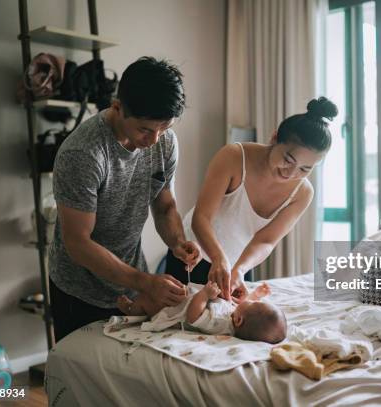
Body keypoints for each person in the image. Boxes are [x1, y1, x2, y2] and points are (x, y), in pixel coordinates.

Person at [49, 57, 200, 341]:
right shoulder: (83, 153)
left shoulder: (165, 142)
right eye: (145, 129)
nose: (155, 139)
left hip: (132, 282)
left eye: (164, 127)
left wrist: (178, 242)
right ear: (118, 107)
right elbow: (78, 243)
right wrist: (145, 282)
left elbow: (164, 205)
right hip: (79, 290)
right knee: (79, 379)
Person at [166, 97, 338, 301]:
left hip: (238, 263)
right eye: (288, 160)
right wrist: (218, 258)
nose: (291, 173)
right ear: (274, 138)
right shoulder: (233, 157)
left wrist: (240, 269)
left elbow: (266, 240)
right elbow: (201, 218)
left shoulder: (302, 193)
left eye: (305, 169)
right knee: (176, 319)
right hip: (192, 254)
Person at [117, 281, 286, 344]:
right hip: (186, 297)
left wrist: (204, 295)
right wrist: (254, 295)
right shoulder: (237, 317)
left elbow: (193, 317)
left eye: (252, 303)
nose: (248, 301)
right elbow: (240, 306)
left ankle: (132, 309)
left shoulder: (220, 324)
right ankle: (135, 306)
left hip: (174, 310)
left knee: (147, 302)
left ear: (239, 321)